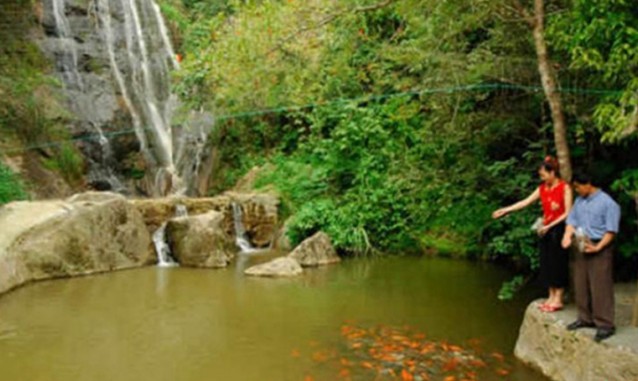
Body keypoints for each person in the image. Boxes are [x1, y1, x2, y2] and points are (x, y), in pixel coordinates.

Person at [493, 156, 572, 312]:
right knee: (546, 261)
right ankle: (550, 295)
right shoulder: (542, 188)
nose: (541, 177)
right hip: (544, 228)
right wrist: (506, 210)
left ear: (552, 172)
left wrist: (550, 225)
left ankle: (558, 298)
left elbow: (568, 213)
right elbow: (525, 201)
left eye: (543, 174)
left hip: (558, 228)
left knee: (558, 262)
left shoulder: (564, 188)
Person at [561, 172, 621, 342]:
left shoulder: (608, 203)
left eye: (578, 186)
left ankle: (604, 324)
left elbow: (611, 231)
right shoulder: (579, 202)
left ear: (588, 183)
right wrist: (566, 236)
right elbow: (571, 222)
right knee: (580, 282)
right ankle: (584, 318)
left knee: (600, 285)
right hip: (580, 244)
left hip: (600, 246)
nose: (577, 190)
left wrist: (598, 247)